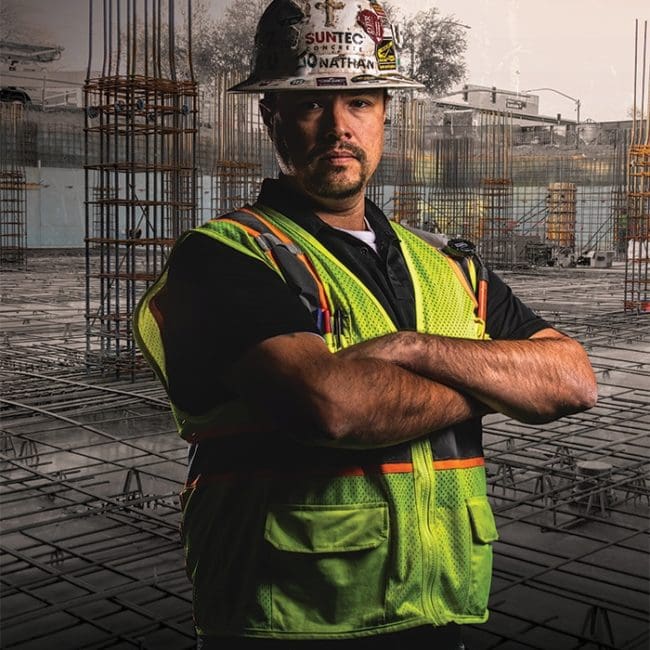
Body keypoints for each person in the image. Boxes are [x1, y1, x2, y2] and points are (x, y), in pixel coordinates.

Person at [134, 1, 597, 647]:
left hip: (440, 609)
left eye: (359, 103)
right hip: (290, 619)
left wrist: (411, 348)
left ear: (385, 116)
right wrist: (498, 385)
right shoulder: (223, 255)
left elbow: (574, 380)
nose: (337, 127)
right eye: (309, 105)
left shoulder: (443, 263)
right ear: (272, 119)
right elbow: (333, 407)